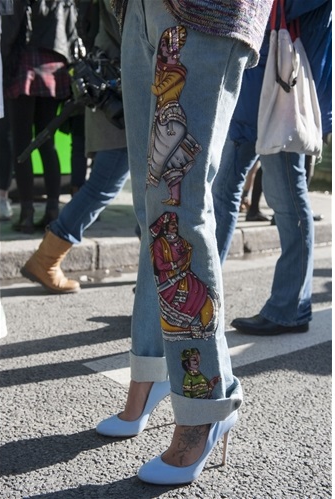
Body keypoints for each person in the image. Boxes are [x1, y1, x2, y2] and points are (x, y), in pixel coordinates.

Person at [94, 0, 273, 485]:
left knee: (176, 204)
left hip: (205, 9)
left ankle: (204, 407)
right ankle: (148, 375)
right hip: (135, 12)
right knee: (152, 209)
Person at [213, 0, 331, 335]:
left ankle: (289, 307)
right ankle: (201, 296)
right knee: (221, 197)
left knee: (287, 201)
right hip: (249, 97)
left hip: (279, 101)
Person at [20, 2, 130, 293]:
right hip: (120, 99)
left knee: (119, 187)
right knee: (105, 185)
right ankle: (46, 259)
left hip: (114, 96)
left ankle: (47, 259)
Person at [1, 0, 78, 232]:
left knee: (21, 143)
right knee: (48, 143)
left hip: (24, 63)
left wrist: (3, 60)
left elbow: (10, 27)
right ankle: (53, 211)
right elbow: (72, 34)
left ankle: (26, 213)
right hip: (54, 66)